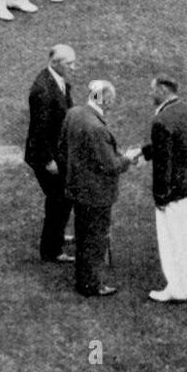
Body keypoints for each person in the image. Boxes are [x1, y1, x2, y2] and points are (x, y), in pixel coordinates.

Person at [63, 80, 135, 297]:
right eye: (111, 100)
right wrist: (128, 159)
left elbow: (62, 146)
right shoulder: (96, 127)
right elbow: (110, 165)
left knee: (83, 236)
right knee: (94, 239)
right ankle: (92, 284)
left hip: (78, 187)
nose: (112, 104)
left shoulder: (74, 113)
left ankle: (83, 279)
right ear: (104, 99)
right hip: (96, 194)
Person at [141, 77, 187, 303]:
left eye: (152, 90)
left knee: (173, 242)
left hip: (176, 193)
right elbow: (186, 139)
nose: (150, 94)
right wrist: (144, 151)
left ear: (162, 89)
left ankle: (177, 289)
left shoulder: (161, 120)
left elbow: (163, 164)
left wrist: (160, 196)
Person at [24, 44, 77, 264]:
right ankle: (52, 250)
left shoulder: (54, 80)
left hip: (55, 152)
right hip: (47, 157)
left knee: (61, 199)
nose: (74, 68)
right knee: (59, 200)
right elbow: (40, 130)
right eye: (69, 64)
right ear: (56, 63)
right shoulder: (43, 91)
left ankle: (56, 237)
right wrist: (48, 160)